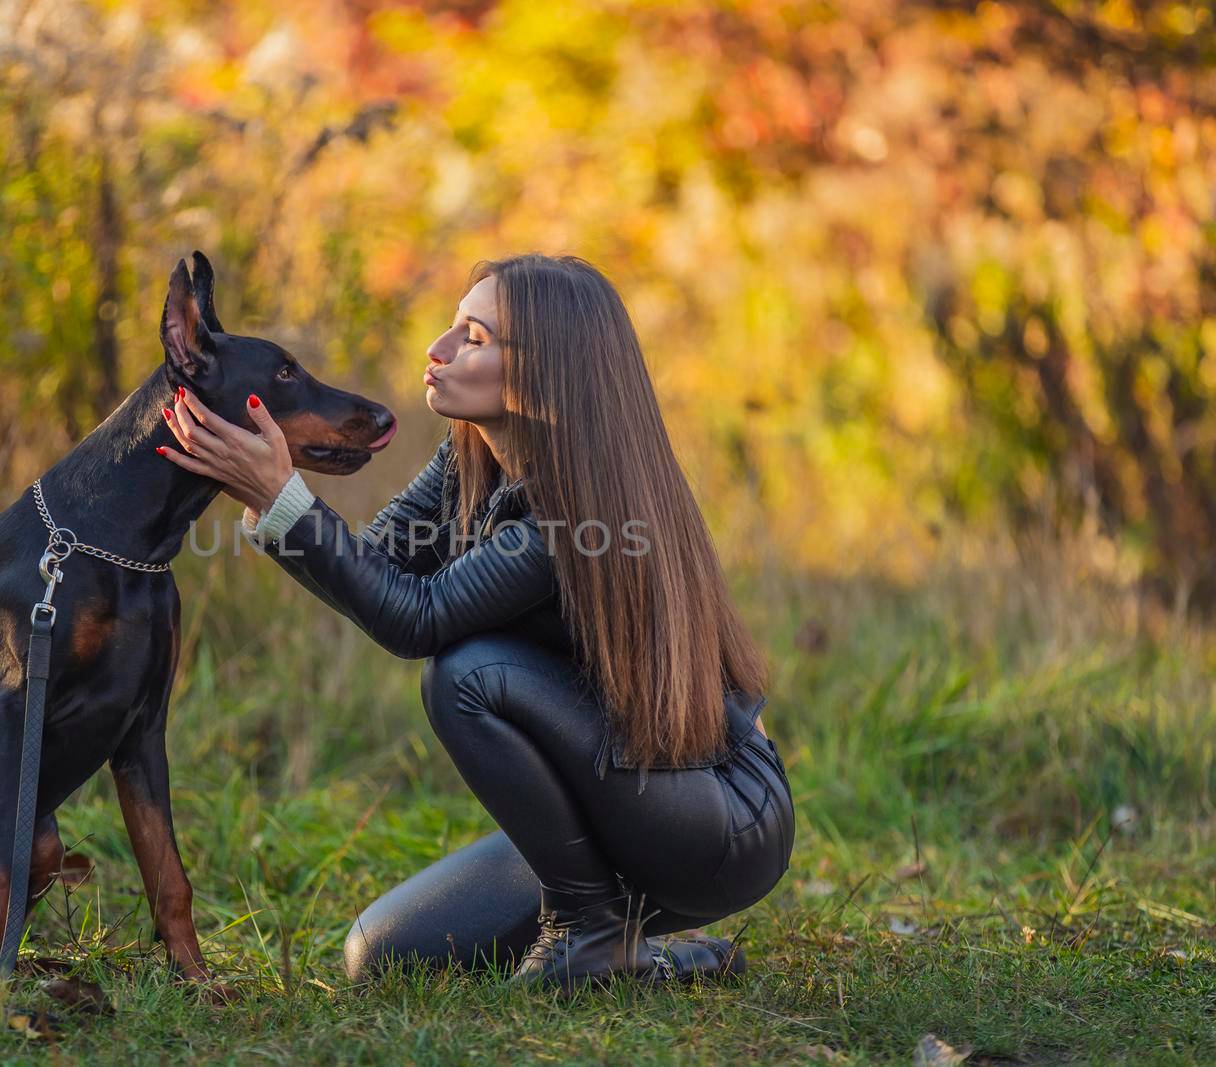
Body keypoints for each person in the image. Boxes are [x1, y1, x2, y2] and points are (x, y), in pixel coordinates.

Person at [155, 253, 794, 991]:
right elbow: (380, 569)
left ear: (546, 371)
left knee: (466, 673)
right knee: (380, 952)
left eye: (476, 336)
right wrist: (274, 497)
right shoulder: (471, 458)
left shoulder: (573, 509)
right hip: (619, 803)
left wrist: (286, 498)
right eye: (454, 324)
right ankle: (648, 955)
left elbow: (416, 620)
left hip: (720, 818)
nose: (440, 348)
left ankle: (588, 933)